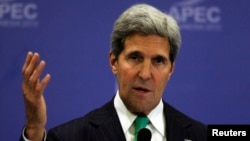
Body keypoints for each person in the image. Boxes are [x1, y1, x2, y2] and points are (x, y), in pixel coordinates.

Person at [20, 3, 207, 141]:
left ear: (171, 69)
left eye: (158, 61)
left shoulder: (200, 136)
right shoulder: (69, 137)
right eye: (135, 58)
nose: (145, 74)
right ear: (114, 61)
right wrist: (35, 130)